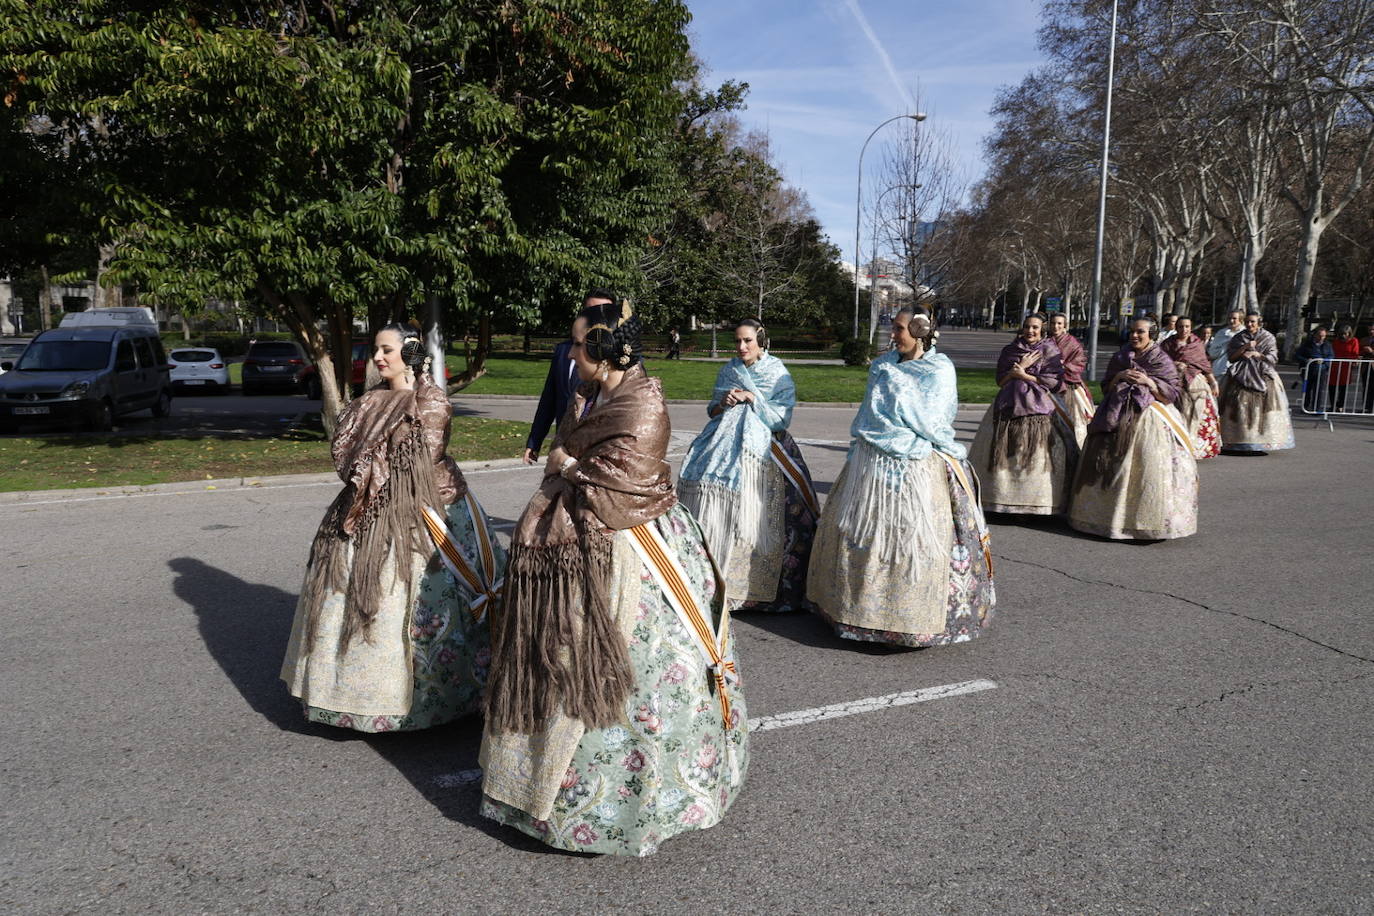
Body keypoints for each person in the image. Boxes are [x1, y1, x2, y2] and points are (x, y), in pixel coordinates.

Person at [480, 297, 748, 856]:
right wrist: (568, 466)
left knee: (630, 666)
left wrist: (568, 467)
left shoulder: (644, 403)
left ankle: (625, 803)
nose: (571, 354)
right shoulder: (586, 394)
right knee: (553, 653)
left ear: (606, 349)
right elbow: (570, 453)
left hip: (630, 542)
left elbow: (623, 482)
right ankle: (537, 791)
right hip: (573, 533)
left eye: (579, 344)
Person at [280, 322, 504, 731]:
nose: (378, 358)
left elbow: (423, 457)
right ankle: (350, 698)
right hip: (365, 508)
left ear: (411, 352)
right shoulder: (370, 400)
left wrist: (372, 475)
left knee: (410, 598)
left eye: (387, 350)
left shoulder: (430, 402)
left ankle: (436, 698)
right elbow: (346, 450)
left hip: (421, 511)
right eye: (376, 350)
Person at [806, 308, 995, 647]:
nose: (893, 334)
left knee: (914, 539)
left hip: (917, 463)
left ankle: (909, 622)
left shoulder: (939, 369)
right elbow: (868, 412)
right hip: (871, 462)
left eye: (899, 328)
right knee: (857, 532)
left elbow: (935, 420)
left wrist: (900, 386)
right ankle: (856, 615)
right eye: (893, 328)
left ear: (920, 331)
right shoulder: (882, 366)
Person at [678, 318, 819, 612]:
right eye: (738, 341)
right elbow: (712, 410)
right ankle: (718, 584)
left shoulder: (776, 371)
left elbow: (781, 417)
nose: (741, 347)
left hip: (765, 449)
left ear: (761, 341)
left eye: (748, 341)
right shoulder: (729, 370)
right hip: (723, 446)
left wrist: (753, 398)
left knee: (766, 512)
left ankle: (762, 591)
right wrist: (726, 403)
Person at [1068, 317, 1198, 540]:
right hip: (1114, 414)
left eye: (1140, 332)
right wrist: (1120, 376)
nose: (1134, 336)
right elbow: (1106, 386)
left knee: (1147, 466)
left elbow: (1171, 394)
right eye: (1132, 332)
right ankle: (1104, 519)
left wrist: (1149, 382)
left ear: (1152, 335)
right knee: (1109, 463)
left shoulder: (1161, 359)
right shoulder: (1121, 356)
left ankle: (1146, 522)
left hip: (1149, 417)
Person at [968, 313, 1077, 514]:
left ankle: (1033, 505)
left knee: (1035, 457)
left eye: (1035, 327)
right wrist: (1015, 372)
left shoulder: (1049, 349)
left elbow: (1055, 382)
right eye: (1027, 326)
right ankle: (1000, 500)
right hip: (1007, 405)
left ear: (1042, 329)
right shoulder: (1010, 350)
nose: (1030, 331)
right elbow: (1000, 381)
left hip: (1039, 409)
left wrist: (1025, 375)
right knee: (1004, 453)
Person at [523, 289, 614, 464]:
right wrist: (535, 441)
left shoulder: (622, 361)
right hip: (564, 447)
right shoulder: (564, 350)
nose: (597, 316)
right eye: (591, 310)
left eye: (603, 311)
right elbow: (549, 398)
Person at [1217, 312, 1295, 452]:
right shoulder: (1239, 337)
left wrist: (1258, 354)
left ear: (1259, 323)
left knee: (1265, 407)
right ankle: (1236, 440)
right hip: (1240, 373)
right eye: (1247, 322)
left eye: (1252, 322)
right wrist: (1244, 347)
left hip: (1262, 373)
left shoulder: (1267, 337)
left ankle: (1261, 441)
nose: (1249, 324)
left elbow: (1273, 357)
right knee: (1236, 405)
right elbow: (1231, 357)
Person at [1160, 316, 1222, 459]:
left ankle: (1193, 446)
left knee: (1196, 415)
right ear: (1176, 327)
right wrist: (1174, 364)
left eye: (1187, 326)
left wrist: (1213, 382)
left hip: (1195, 383)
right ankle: (1177, 445)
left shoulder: (1197, 344)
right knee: (1177, 414)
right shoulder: (1167, 344)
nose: (1184, 329)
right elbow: (1160, 362)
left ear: (1191, 327)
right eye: (1181, 326)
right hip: (1174, 383)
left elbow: (1204, 365)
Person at [1048, 312, 1094, 446]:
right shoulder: (1044, 342)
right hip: (1046, 384)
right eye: (1053, 323)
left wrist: (1064, 365)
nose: (1055, 326)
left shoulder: (1073, 344)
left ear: (1065, 326)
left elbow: (1080, 362)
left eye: (1059, 324)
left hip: (1068, 386)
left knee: (1075, 423)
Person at [1293, 326, 1334, 412]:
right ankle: (1305, 407)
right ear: (1315, 335)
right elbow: (1297, 355)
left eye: (1323, 336)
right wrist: (1307, 360)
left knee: (1319, 390)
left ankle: (1316, 408)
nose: (1321, 338)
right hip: (1308, 370)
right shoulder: (1307, 344)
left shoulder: (1327, 345)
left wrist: (1324, 362)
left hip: (1321, 370)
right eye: (1319, 336)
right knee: (1307, 389)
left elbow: (1331, 356)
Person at [1328, 323, 1361, 411]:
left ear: (1349, 334)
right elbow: (1331, 352)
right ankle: (1332, 405)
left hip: (1346, 367)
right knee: (1332, 386)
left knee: (1343, 387)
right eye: (1341, 334)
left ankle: (1340, 406)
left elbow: (1355, 354)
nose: (1343, 336)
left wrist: (1352, 360)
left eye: (1345, 334)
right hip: (1334, 366)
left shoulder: (1354, 341)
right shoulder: (1336, 341)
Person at [1208, 309, 1245, 378]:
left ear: (1241, 320)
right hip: (1220, 369)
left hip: (1238, 371)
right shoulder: (1221, 333)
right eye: (1229, 318)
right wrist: (1225, 346)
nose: (1231, 321)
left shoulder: (1245, 334)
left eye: (1234, 318)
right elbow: (1212, 353)